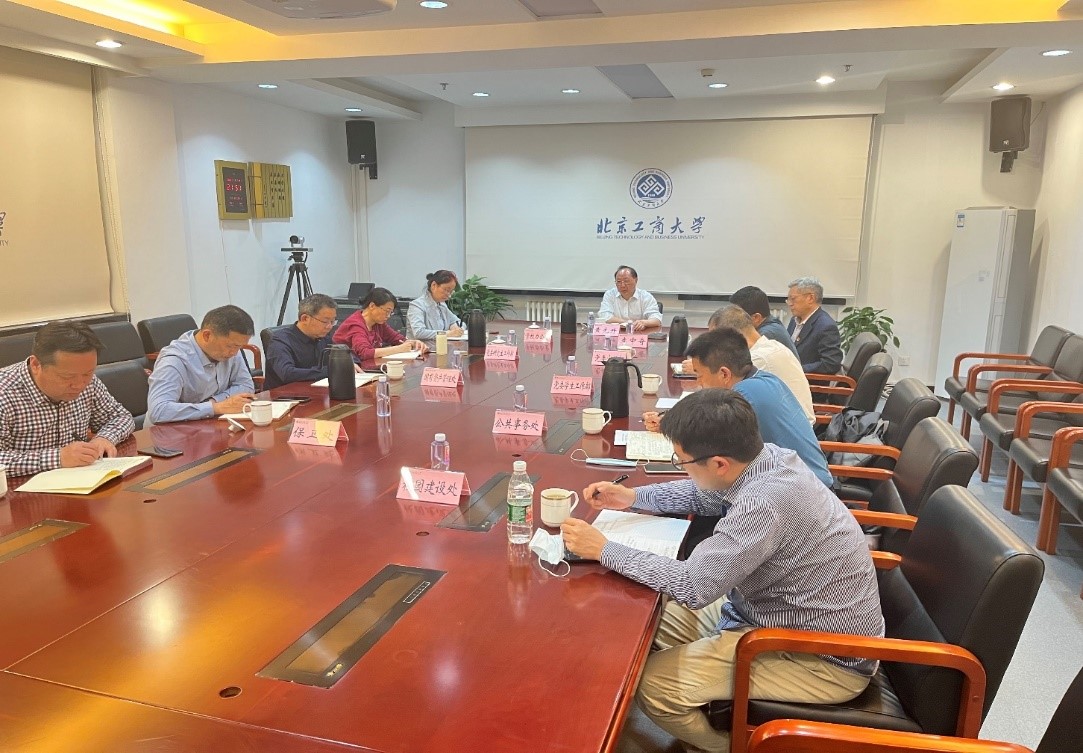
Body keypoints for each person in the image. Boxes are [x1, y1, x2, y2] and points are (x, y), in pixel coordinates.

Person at [562, 389, 883, 753]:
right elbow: (703, 494)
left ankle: (729, 748)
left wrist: (603, 549)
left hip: (821, 657)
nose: (682, 467)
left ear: (718, 463)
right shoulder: (767, 459)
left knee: (653, 686)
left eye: (682, 461)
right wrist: (633, 497)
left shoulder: (763, 504)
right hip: (772, 613)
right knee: (645, 622)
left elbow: (693, 585)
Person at [649, 328, 831, 487]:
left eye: (699, 374)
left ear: (724, 374)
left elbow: (706, 436)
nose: (699, 383)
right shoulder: (764, 379)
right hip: (809, 482)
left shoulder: (743, 397)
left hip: (802, 491)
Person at [0, 321, 135, 476]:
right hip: (22, 487)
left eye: (87, 373)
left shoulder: (87, 381)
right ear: (36, 365)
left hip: (80, 480)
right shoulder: (4, 393)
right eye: (67, 377)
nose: (79, 385)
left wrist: (104, 438)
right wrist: (58, 458)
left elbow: (121, 416)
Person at [146, 305, 256, 425]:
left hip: (207, 425)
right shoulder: (173, 361)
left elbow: (246, 385)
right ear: (207, 335)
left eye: (239, 347)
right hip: (167, 431)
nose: (234, 353)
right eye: (231, 346)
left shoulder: (230, 349)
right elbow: (159, 411)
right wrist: (215, 407)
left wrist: (215, 402)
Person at [706, 305, 814, 423]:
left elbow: (726, 398)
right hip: (796, 423)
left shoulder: (757, 358)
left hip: (789, 427)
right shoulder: (773, 345)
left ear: (730, 337)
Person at [265, 293, 361, 390]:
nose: (329, 326)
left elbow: (343, 354)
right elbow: (287, 373)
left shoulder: (323, 337)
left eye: (333, 321)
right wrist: (332, 370)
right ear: (305, 318)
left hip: (317, 392)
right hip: (285, 395)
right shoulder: (280, 341)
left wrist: (349, 363)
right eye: (325, 321)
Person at [333, 287, 428, 361]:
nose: (388, 316)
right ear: (372, 306)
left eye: (390, 312)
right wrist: (399, 349)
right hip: (349, 369)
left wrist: (413, 343)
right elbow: (364, 353)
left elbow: (398, 339)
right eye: (387, 311)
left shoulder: (378, 323)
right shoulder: (356, 325)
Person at [786, 277, 843, 375]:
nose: (790, 303)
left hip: (807, 380)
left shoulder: (826, 326)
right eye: (788, 299)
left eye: (793, 299)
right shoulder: (794, 320)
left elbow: (831, 364)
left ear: (810, 298)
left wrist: (797, 369)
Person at [729, 285, 798, 357]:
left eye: (737, 316)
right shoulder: (771, 324)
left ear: (756, 317)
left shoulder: (766, 335)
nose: (733, 320)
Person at [597, 265, 662, 331]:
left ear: (636, 280)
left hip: (639, 334)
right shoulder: (610, 295)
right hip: (616, 333)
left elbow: (657, 319)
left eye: (626, 281)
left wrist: (644, 323)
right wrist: (627, 324)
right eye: (618, 282)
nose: (622, 285)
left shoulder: (646, 297)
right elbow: (605, 316)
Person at [407, 270, 464, 340]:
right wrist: (447, 333)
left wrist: (454, 327)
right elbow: (419, 332)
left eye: (451, 292)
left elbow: (458, 322)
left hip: (441, 345)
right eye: (446, 290)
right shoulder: (417, 305)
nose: (449, 295)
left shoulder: (442, 305)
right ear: (434, 285)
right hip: (421, 346)